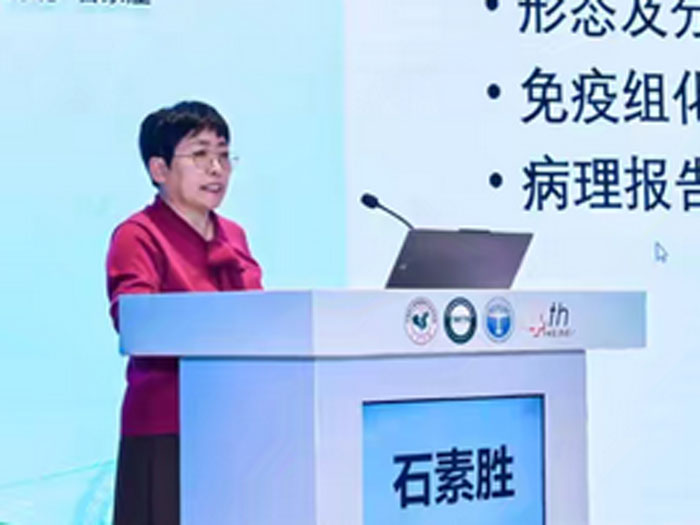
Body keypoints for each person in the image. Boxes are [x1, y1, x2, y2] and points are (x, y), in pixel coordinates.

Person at [106, 101, 263, 524]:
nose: (217, 169)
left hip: (232, 421)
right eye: (200, 155)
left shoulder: (233, 235)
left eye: (224, 155)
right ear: (159, 169)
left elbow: (258, 317)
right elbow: (136, 322)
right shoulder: (138, 235)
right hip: (166, 422)